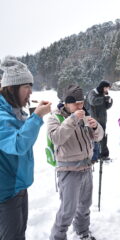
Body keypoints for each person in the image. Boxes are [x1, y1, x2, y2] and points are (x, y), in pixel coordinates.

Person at [0, 56, 51, 239]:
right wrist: (36, 118)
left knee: (19, 234)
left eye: (31, 85)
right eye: (26, 86)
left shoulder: (15, 111)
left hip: (20, 187)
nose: (31, 91)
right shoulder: (0, 115)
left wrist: (32, 117)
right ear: (12, 88)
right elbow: (18, 144)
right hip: (6, 194)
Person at [48, 84, 103, 240]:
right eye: (76, 103)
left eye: (82, 103)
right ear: (66, 102)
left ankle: (83, 232)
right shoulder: (55, 117)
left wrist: (95, 127)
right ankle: (57, 237)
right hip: (68, 171)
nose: (80, 106)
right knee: (67, 211)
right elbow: (57, 137)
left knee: (85, 207)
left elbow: (98, 137)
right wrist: (73, 119)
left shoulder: (83, 116)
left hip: (86, 168)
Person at [86, 80, 113, 162]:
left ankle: (104, 154)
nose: (107, 90)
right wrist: (103, 98)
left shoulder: (102, 94)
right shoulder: (93, 92)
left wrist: (109, 102)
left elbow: (105, 107)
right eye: (107, 88)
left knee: (103, 136)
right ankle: (95, 155)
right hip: (94, 119)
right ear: (103, 87)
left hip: (103, 118)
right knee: (95, 137)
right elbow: (93, 101)